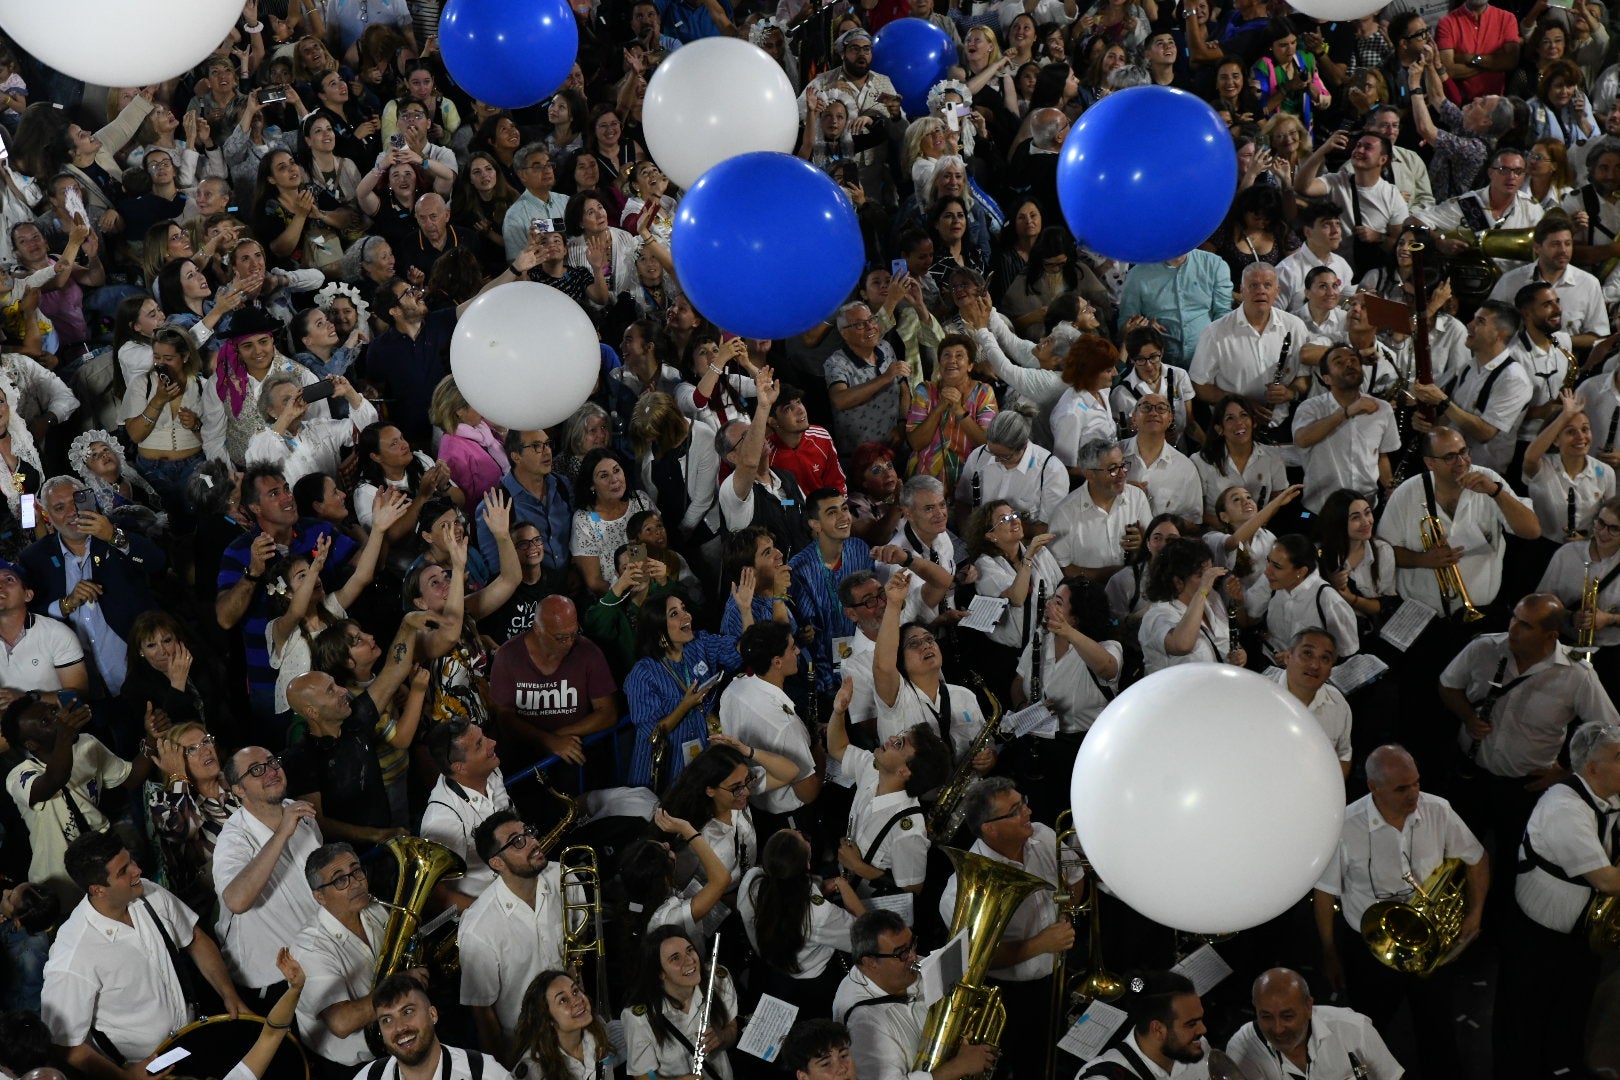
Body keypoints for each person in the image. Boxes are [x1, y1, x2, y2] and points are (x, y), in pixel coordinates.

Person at [1313, 744, 1484, 1077]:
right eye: (1402, 788)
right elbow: (1324, 893)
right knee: (1367, 1026)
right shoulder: (1345, 826)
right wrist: (1330, 952)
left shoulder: (1438, 810)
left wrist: (1475, 913)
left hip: (1430, 939)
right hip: (1370, 948)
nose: (1415, 794)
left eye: (1417, 783)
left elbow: (1477, 859)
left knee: (1437, 1026)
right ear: (1373, 788)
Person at [40, 831, 246, 1080]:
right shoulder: (73, 955)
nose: (137, 871)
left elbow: (195, 939)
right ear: (98, 889)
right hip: (143, 1068)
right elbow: (66, 1045)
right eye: (123, 871)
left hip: (192, 1037)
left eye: (131, 861)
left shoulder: (149, 893)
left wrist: (229, 994)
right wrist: (123, 1078)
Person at [1498, 720, 1620, 1077]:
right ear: (1592, 768)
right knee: (1525, 1021)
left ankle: (1564, 1066)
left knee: (1572, 1011)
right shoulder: (1564, 807)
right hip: (1538, 939)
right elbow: (1606, 880)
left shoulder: (1610, 792)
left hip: (1580, 934)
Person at [939, 777, 1080, 1080]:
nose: (1028, 812)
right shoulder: (960, 892)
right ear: (989, 827)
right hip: (1009, 997)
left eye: (1023, 802)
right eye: (1015, 810)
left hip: (1058, 973)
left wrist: (1067, 911)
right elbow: (977, 959)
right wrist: (1041, 944)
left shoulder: (1041, 835)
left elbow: (1076, 879)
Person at [2, 694, 149, 905]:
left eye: (53, 711)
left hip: (105, 854)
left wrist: (152, 740)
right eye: (45, 721)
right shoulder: (20, 776)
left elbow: (131, 778)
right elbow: (54, 780)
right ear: (32, 744)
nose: (58, 718)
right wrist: (63, 737)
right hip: (60, 878)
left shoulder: (87, 744)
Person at [1377, 428, 1541, 617]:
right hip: (1421, 614)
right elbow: (1383, 552)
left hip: (1482, 611)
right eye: (1450, 457)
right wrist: (1422, 560)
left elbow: (1533, 530)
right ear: (1429, 462)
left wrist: (1496, 492)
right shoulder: (1406, 493)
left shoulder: (1489, 479)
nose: (1462, 462)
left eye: (1463, 451)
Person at [461, 810, 577, 1062]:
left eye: (529, 833)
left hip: (576, 1022)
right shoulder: (478, 928)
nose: (533, 843)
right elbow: (483, 1014)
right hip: (527, 1047)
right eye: (517, 841)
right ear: (497, 863)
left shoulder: (565, 878)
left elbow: (578, 948)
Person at [831, 909, 998, 1080]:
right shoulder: (863, 1024)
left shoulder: (906, 964)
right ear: (870, 962)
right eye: (902, 952)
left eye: (912, 944)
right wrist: (957, 1067)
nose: (913, 957)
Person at [214, 746, 324, 1003]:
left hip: (319, 956)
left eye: (272, 762)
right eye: (256, 770)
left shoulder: (300, 814)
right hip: (273, 980)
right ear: (238, 790)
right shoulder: (232, 839)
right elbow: (237, 900)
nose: (271, 772)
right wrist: (281, 833)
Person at [624, 584, 750, 789]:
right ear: (659, 629)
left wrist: (745, 611)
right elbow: (652, 732)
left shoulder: (700, 643)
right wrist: (685, 705)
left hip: (699, 757)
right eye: (675, 613)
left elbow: (741, 651)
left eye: (684, 609)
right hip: (661, 769)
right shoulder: (643, 673)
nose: (686, 616)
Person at [289, 841, 391, 1072]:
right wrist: (403, 986)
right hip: (350, 1067)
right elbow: (342, 1022)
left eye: (356, 871)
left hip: (390, 1039)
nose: (355, 883)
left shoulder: (373, 907)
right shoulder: (309, 949)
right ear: (320, 897)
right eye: (340, 880)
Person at [739, 829, 864, 1015]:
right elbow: (865, 935)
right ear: (807, 864)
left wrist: (818, 888)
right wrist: (843, 885)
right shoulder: (819, 913)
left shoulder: (751, 880)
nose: (801, 833)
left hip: (769, 969)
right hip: (810, 983)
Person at [488, 595, 618, 769]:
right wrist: (547, 740)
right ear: (537, 629)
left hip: (575, 754)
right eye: (561, 638)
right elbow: (504, 716)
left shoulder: (588, 652)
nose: (570, 643)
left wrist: (558, 737)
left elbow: (608, 713)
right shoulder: (508, 656)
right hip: (525, 760)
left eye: (574, 633)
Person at [1190, 263, 1308, 440]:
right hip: (1232, 430)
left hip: (1282, 426)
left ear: (1277, 291)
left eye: (1267, 285)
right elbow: (1200, 387)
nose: (1260, 291)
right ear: (1242, 290)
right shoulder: (1215, 332)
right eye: (1253, 285)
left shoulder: (1295, 326)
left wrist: (1291, 393)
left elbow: (1304, 377)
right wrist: (1240, 404)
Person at [1225, 967, 1403, 1080]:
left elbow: (1393, 1077)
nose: (1278, 1028)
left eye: (1287, 1016)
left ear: (1308, 1006)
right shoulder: (1242, 1048)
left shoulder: (1354, 1028)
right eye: (1266, 1017)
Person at [1291, 345, 1402, 514]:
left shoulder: (1381, 409)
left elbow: (1382, 456)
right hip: (1320, 509)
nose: (1349, 364)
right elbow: (1302, 439)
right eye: (1339, 362)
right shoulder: (1310, 408)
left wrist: (1391, 488)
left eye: (1353, 360)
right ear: (1326, 378)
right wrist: (1347, 412)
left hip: (1367, 506)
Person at [621, 925, 740, 1080]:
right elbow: (643, 1075)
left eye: (690, 950)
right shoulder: (638, 1018)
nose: (690, 960)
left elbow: (732, 1027)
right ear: (660, 973)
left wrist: (722, 1036)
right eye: (675, 958)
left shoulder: (717, 979)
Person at [420, 719, 510, 909]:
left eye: (483, 736)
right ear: (459, 767)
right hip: (487, 907)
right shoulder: (441, 821)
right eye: (480, 744)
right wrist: (491, 915)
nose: (492, 742)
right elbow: (437, 894)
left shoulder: (490, 769)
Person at [366, 972, 512, 1080]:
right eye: (387, 1020)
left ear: (433, 1015)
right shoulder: (369, 1077)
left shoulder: (483, 1073)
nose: (399, 1027)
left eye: (407, 1011)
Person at [1048, 439, 1152, 582]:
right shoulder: (1065, 513)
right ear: (1090, 474)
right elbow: (1060, 568)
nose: (1123, 474)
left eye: (1123, 465)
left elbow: (1156, 549)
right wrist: (1107, 575)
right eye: (1113, 469)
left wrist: (1143, 546)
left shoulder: (1137, 498)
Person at [1076, 971, 1210, 1077]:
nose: (1203, 1029)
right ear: (1158, 1029)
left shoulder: (1198, 1044)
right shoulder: (1104, 1075)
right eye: (1191, 1024)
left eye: (1200, 1019)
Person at [825, 302, 911, 455]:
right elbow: (840, 400)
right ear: (844, 333)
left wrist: (902, 424)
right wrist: (885, 377)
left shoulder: (885, 347)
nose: (870, 326)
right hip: (860, 457)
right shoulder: (836, 362)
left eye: (871, 319)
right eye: (859, 325)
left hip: (896, 445)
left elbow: (904, 390)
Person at [1120, 393, 1202, 526]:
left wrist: (1158, 530)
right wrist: (1118, 487)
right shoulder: (1113, 454)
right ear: (1134, 418)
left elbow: (1193, 521)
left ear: (1170, 419)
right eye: (1146, 407)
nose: (1153, 412)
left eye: (1161, 408)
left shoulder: (1185, 468)